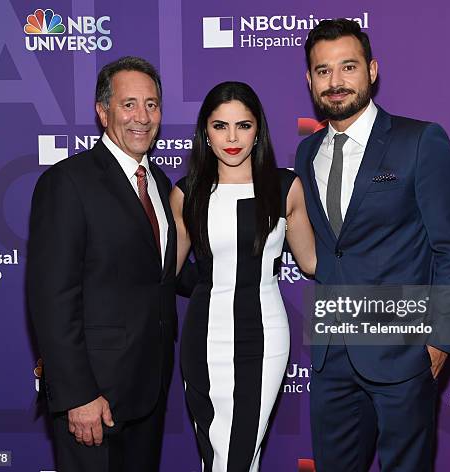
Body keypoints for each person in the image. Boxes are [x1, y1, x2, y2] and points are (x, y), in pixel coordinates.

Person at [295, 19, 450, 472]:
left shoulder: (419, 141)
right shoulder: (306, 152)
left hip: (402, 354)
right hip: (331, 353)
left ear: (372, 70)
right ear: (310, 79)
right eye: (322, 71)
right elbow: (331, 251)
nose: (335, 83)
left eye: (348, 67)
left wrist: (439, 342)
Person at [27, 56, 177, 471]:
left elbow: (161, 276)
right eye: (129, 104)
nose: (142, 117)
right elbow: (52, 298)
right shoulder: (67, 183)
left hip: (149, 390)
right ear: (102, 111)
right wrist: (77, 395)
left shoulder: (161, 185)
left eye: (152, 104)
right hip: (94, 397)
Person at [170, 81, 316, 472]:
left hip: (262, 337)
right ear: (205, 132)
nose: (232, 138)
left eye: (243, 126)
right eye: (220, 126)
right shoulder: (187, 193)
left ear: (258, 130)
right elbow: (164, 273)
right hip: (203, 338)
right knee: (215, 453)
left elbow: (314, 263)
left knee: (236, 456)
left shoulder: (285, 188)